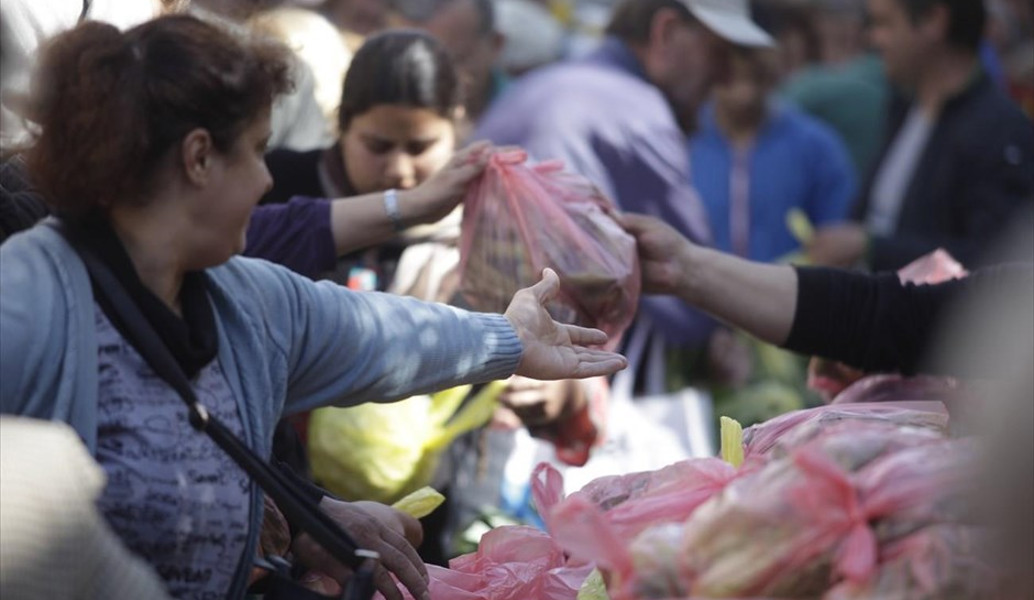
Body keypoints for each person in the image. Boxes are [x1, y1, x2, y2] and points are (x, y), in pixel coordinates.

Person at [0, 15, 626, 600]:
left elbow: (380, 336)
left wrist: (509, 339)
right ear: (197, 158)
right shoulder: (24, 300)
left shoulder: (242, 298)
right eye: (254, 150)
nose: (267, 179)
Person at [475, 0, 774, 397]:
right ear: (665, 32)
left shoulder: (536, 87)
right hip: (563, 375)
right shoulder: (638, 112)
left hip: (483, 354)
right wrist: (717, 343)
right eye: (717, 54)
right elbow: (688, 289)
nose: (723, 77)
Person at [808, 0, 1034, 271]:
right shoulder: (903, 108)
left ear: (933, 21)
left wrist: (871, 247)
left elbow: (993, 263)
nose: (873, 38)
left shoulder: (1000, 132)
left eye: (884, 24)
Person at [689, 46, 856, 262]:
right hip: (698, 291)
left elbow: (839, 238)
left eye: (755, 75)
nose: (746, 92)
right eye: (734, 72)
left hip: (786, 291)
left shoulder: (815, 146)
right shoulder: (685, 140)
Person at [391, 0, 507, 136]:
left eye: (458, 60)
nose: (434, 77)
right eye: (414, 64)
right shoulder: (382, 111)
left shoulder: (529, 107)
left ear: (496, 44)